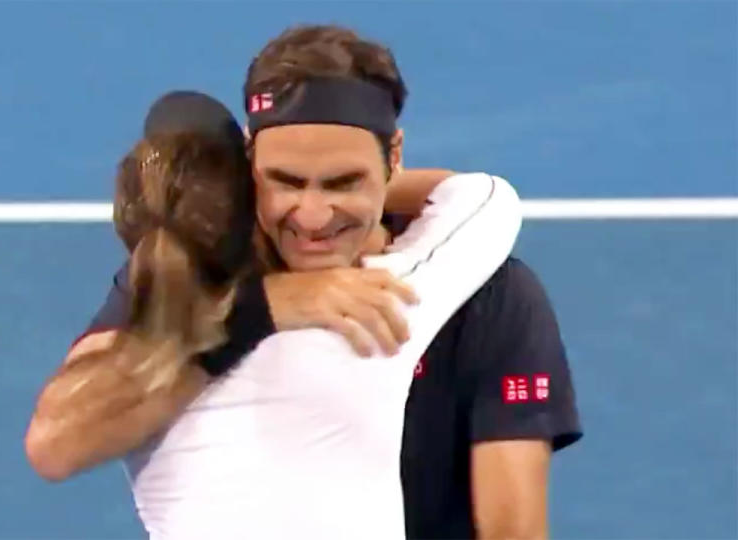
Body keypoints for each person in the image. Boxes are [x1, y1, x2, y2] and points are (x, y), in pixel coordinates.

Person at [29, 25, 582, 539]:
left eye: (344, 182)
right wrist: (258, 310)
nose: (313, 218)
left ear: (393, 160)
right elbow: (57, 445)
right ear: (249, 162)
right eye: (285, 182)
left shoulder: (491, 295)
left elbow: (511, 530)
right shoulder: (191, 275)